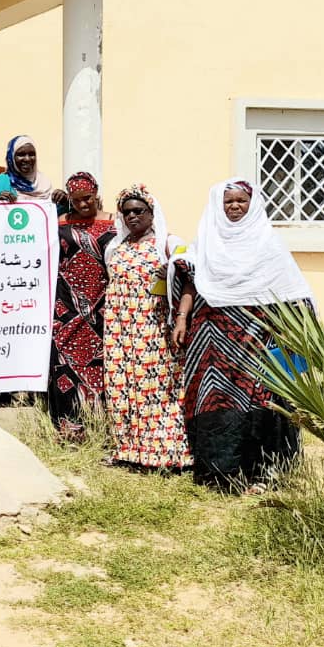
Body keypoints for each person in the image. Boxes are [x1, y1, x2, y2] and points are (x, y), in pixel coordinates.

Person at [170, 180, 313, 493]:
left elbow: (291, 290)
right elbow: (190, 281)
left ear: (253, 204)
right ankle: (219, 473)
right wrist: (181, 318)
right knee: (214, 397)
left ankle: (264, 472)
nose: (234, 206)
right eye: (228, 202)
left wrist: (295, 333)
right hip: (211, 339)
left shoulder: (268, 243)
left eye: (241, 201)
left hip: (257, 336)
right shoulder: (206, 241)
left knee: (261, 396)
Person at [102, 185, 191, 470]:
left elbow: (191, 277)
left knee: (158, 388)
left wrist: (172, 274)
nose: (132, 216)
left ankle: (167, 454)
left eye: (138, 211)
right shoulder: (114, 247)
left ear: (152, 213)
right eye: (126, 212)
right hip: (120, 331)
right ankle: (129, 451)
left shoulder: (169, 243)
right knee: (124, 387)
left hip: (154, 329)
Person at [48, 174, 116, 440]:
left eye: (87, 198)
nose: (83, 204)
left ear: (96, 192)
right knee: (65, 363)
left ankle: (102, 425)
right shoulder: (59, 223)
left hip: (103, 304)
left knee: (102, 362)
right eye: (76, 201)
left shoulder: (114, 222)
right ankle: (70, 427)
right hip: (66, 305)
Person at [0, 136, 68, 207]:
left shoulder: (44, 183)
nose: (27, 159)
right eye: (21, 154)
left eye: (31, 154)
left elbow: (55, 212)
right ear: (11, 157)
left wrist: (64, 201)